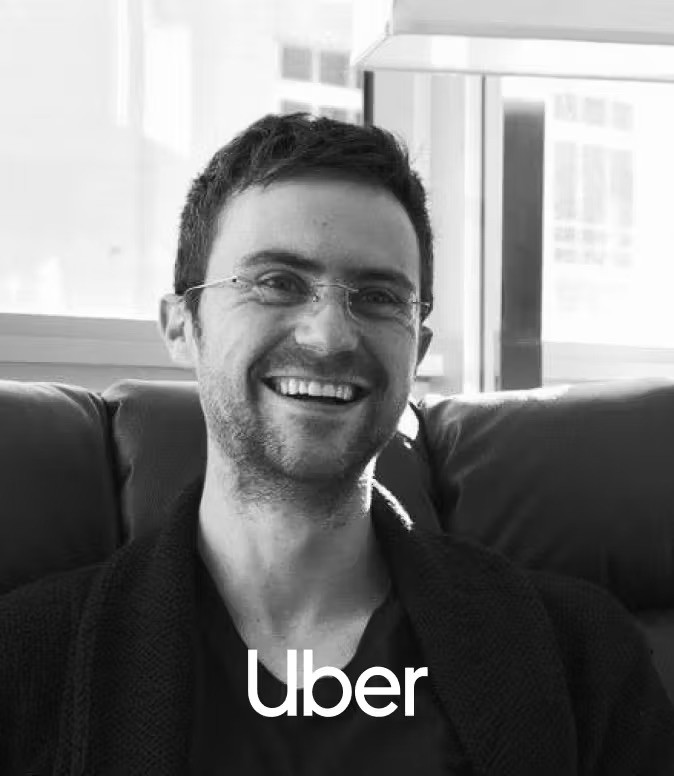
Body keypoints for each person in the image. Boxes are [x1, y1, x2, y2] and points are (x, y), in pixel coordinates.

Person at [1, 114, 673, 775]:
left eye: (379, 296)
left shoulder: (577, 655)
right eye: (276, 283)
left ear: (418, 350)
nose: (328, 337)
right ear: (182, 326)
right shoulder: (29, 662)